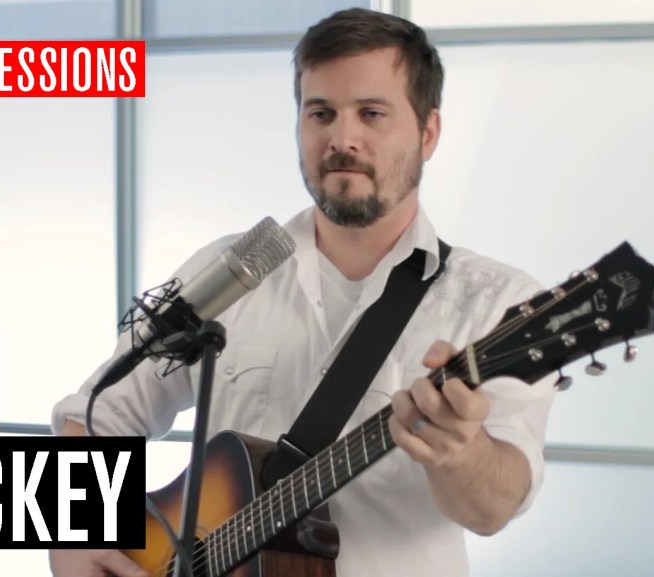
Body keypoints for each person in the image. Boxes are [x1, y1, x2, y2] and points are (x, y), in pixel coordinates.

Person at [49, 7, 558, 577]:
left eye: (372, 113)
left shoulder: (498, 303)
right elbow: (98, 412)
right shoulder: (229, 270)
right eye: (321, 113)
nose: (343, 138)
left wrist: (463, 452)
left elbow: (495, 507)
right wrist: (73, 535)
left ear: (428, 132)